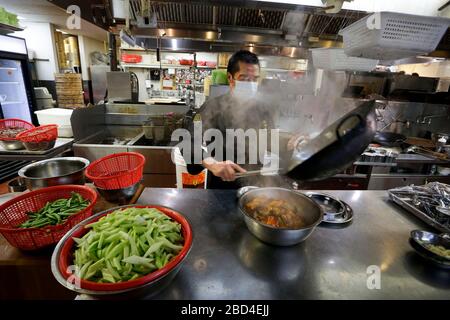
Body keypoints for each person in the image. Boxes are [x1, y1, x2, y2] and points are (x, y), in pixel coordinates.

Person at [184, 50, 282, 189]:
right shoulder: (213, 107)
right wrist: (211, 163)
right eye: (244, 78)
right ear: (230, 78)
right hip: (222, 188)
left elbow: (271, 142)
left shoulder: (263, 110)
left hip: (257, 188)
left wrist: (287, 145)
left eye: (254, 79)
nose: (251, 84)